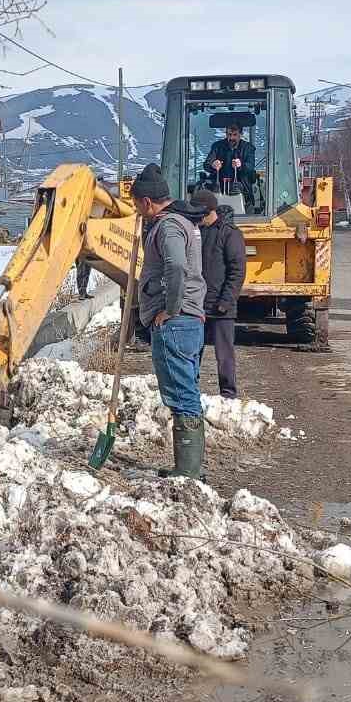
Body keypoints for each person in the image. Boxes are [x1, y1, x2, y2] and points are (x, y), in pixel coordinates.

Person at [130, 167, 207, 478]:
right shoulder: (182, 222)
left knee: (181, 392)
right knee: (185, 388)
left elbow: (176, 266)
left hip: (176, 323)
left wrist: (170, 309)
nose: (136, 210)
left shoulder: (169, 226)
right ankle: (186, 469)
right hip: (187, 321)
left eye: (136, 204)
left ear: (147, 202)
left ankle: (187, 474)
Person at [190, 187, 246, 399]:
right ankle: (191, 392)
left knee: (224, 356)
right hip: (198, 306)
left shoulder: (230, 234)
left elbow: (237, 271)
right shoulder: (196, 233)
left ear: (207, 211)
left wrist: (225, 301)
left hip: (222, 307)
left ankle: (228, 395)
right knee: (193, 353)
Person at [202, 121, 258, 202]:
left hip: (240, 182)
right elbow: (207, 164)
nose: (231, 138)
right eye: (229, 134)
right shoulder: (217, 146)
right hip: (219, 182)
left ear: (240, 134)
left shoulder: (248, 148)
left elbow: (250, 166)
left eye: (235, 135)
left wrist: (240, 165)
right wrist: (213, 165)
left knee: (236, 190)